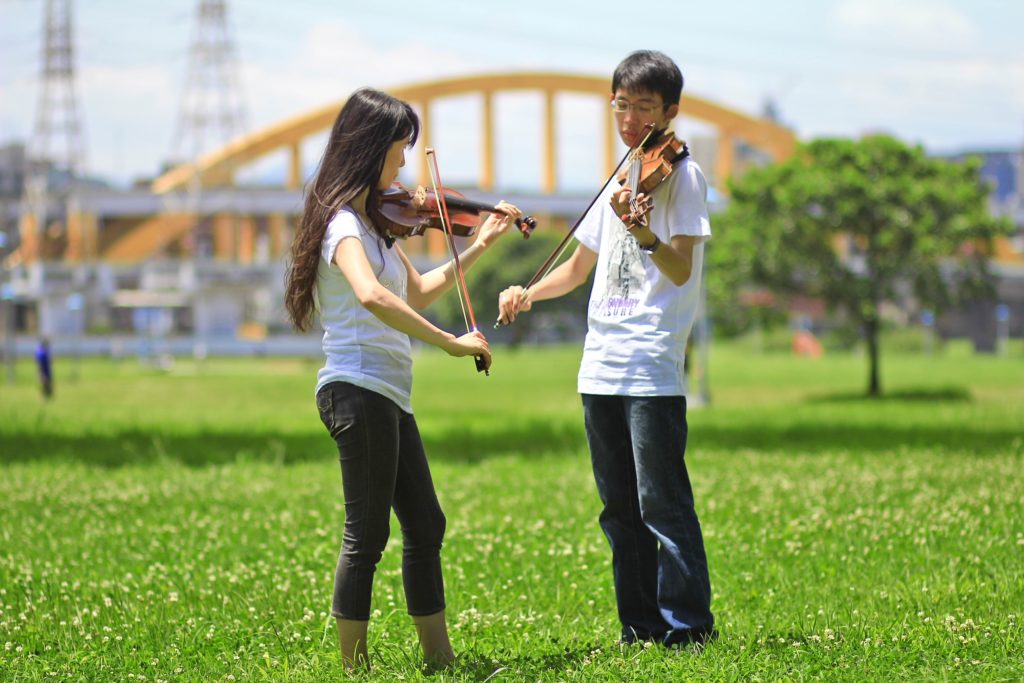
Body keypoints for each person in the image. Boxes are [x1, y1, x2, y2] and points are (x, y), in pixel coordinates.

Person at [284, 87, 522, 670]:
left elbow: (417, 291)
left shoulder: (377, 227)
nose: (403, 168)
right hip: (356, 389)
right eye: (397, 153)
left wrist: (482, 244)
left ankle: (438, 658)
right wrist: (448, 343)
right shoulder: (343, 225)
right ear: (368, 151)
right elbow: (369, 296)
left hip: (386, 391)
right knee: (366, 535)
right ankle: (354, 668)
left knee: (425, 523)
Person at [497, 51, 715, 648]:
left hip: (651, 364)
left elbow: (678, 268)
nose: (631, 118)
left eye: (645, 108)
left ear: (671, 111)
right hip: (599, 366)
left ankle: (688, 627)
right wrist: (527, 293)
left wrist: (643, 231)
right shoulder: (618, 177)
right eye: (622, 105)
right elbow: (577, 269)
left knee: (662, 505)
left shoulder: (683, 177)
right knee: (619, 510)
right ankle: (639, 627)